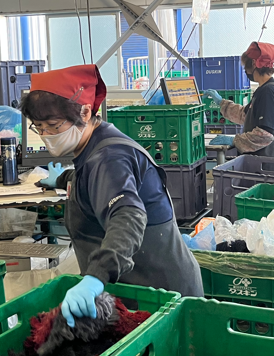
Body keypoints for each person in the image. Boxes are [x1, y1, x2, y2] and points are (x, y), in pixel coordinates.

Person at [20, 64, 204, 327]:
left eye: (53, 125)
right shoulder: (95, 143)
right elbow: (95, 183)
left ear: (84, 111)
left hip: (160, 299)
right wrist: (63, 179)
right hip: (142, 291)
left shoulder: (108, 158)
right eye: (38, 127)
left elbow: (127, 216)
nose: (46, 135)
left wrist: (95, 277)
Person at [201, 42, 274, 158]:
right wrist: (221, 103)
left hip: (267, 163)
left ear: (254, 63)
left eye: (245, 66)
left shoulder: (268, 92)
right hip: (261, 161)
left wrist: (235, 140)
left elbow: (264, 135)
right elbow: (245, 115)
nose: (245, 70)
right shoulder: (264, 89)